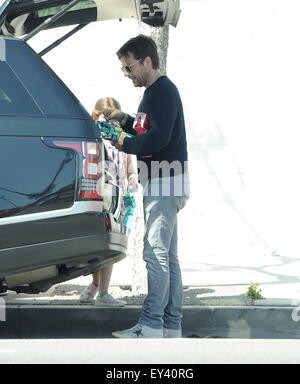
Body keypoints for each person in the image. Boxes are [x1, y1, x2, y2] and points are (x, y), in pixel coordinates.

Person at [104, 35, 189, 338]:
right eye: (124, 70)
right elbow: (146, 129)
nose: (127, 75)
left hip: (164, 180)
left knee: (155, 254)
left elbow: (158, 138)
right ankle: (170, 325)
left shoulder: (163, 91)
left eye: (129, 68)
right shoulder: (154, 92)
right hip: (168, 178)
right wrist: (125, 120)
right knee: (168, 256)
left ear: (148, 61)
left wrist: (124, 142)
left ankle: (152, 323)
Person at [79, 97, 138, 306]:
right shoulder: (92, 138)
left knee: (111, 246)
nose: (110, 124)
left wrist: (132, 181)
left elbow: (130, 169)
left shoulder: (124, 139)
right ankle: (99, 288)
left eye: (114, 118)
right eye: (105, 118)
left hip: (120, 199)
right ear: (96, 117)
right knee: (100, 245)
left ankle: (100, 289)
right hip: (99, 196)